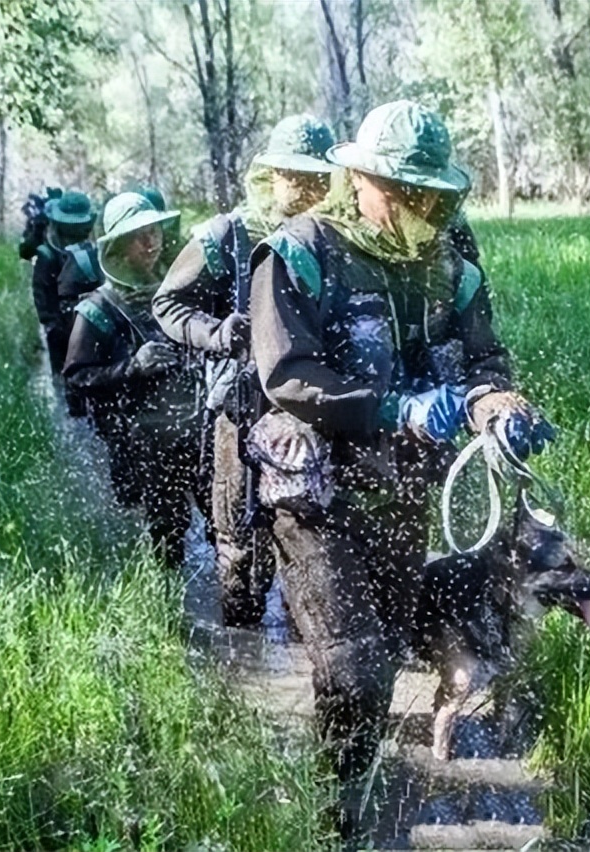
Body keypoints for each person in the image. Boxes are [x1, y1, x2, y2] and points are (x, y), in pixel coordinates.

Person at [246, 100, 554, 831]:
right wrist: (395, 408)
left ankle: (355, 789)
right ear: (360, 179)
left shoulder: (453, 266)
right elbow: (286, 372)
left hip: (405, 493)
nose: (423, 206)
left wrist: (497, 410)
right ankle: (340, 817)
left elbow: (483, 363)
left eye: (433, 193)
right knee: (350, 668)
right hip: (317, 496)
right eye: (405, 189)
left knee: (381, 659)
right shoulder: (300, 252)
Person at [154, 114, 336, 628]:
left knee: (308, 531)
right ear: (271, 175)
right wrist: (215, 332)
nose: (302, 190)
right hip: (240, 407)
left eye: (315, 180)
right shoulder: (225, 236)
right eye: (291, 177)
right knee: (235, 532)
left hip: (307, 412)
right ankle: (243, 650)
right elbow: (168, 304)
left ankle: (310, 649)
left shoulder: (331, 241)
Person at [63, 190, 201, 567]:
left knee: (224, 523)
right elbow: (76, 375)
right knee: (167, 529)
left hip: (195, 428)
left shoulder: (175, 288)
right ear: (119, 246)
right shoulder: (97, 309)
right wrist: (132, 367)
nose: (151, 242)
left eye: (155, 231)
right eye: (140, 235)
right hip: (144, 440)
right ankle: (171, 609)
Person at [28, 191, 98, 377]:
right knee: (63, 376)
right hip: (61, 328)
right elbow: (41, 294)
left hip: (92, 324)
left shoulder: (93, 252)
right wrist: (52, 324)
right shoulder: (48, 255)